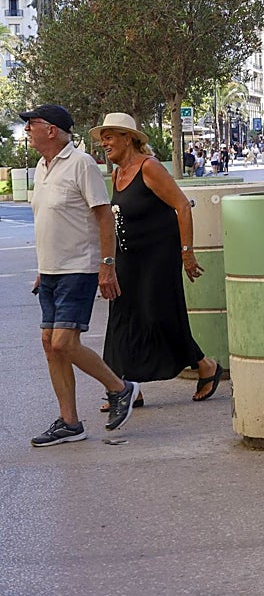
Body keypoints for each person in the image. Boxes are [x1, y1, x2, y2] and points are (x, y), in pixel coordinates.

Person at [21, 104, 139, 446]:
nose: (27, 129)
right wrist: (43, 269)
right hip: (51, 271)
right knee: (49, 344)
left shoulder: (81, 164)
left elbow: (104, 218)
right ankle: (70, 423)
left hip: (79, 268)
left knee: (64, 342)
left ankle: (120, 387)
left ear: (52, 130)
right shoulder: (42, 167)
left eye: (32, 124)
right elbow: (51, 223)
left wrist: (107, 263)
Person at [91, 113, 223, 408]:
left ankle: (205, 365)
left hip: (157, 258)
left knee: (158, 316)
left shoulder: (148, 168)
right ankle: (126, 387)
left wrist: (187, 252)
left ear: (128, 138)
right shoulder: (116, 174)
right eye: (103, 139)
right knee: (121, 319)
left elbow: (182, 207)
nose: (104, 144)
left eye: (109, 137)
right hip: (128, 258)